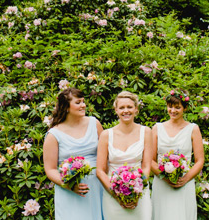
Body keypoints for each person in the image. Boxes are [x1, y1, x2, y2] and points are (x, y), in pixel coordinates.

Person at [43, 88, 104, 220]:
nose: (83, 105)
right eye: (78, 102)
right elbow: (50, 169)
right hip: (69, 192)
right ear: (66, 107)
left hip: (96, 189)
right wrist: (68, 185)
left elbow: (105, 156)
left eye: (83, 102)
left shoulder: (95, 124)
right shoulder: (54, 135)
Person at [97, 91, 152, 219]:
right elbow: (100, 170)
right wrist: (117, 194)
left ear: (136, 109)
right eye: (121, 107)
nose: (125, 111)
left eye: (129, 107)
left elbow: (146, 166)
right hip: (112, 195)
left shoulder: (146, 132)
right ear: (116, 110)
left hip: (139, 194)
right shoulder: (106, 135)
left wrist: (136, 193)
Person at [151, 89, 204, 220]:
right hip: (162, 183)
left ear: (184, 108)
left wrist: (185, 179)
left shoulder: (193, 129)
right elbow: (150, 160)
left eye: (177, 107)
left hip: (184, 183)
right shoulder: (157, 128)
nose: (173, 111)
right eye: (170, 107)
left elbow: (200, 160)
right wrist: (164, 177)